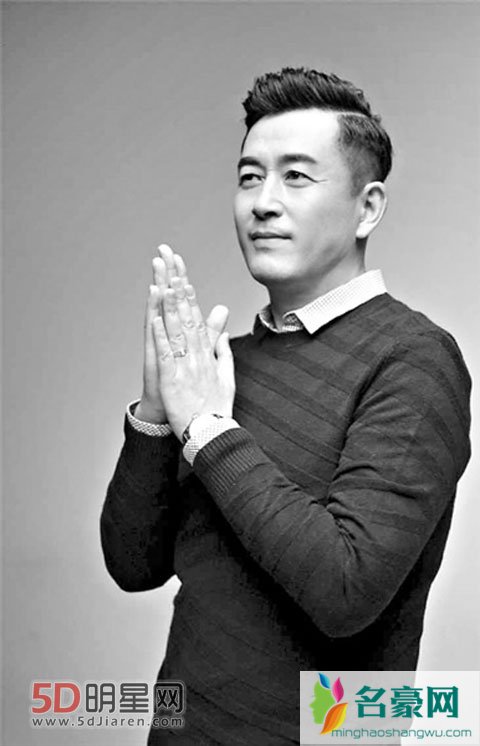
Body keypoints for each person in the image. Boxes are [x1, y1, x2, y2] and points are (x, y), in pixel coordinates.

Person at [100, 68, 471, 745]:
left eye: (296, 176)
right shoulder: (221, 368)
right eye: (249, 177)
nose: (262, 203)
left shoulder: (415, 360)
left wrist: (208, 429)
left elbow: (346, 591)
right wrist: (157, 415)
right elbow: (133, 565)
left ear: (367, 207)